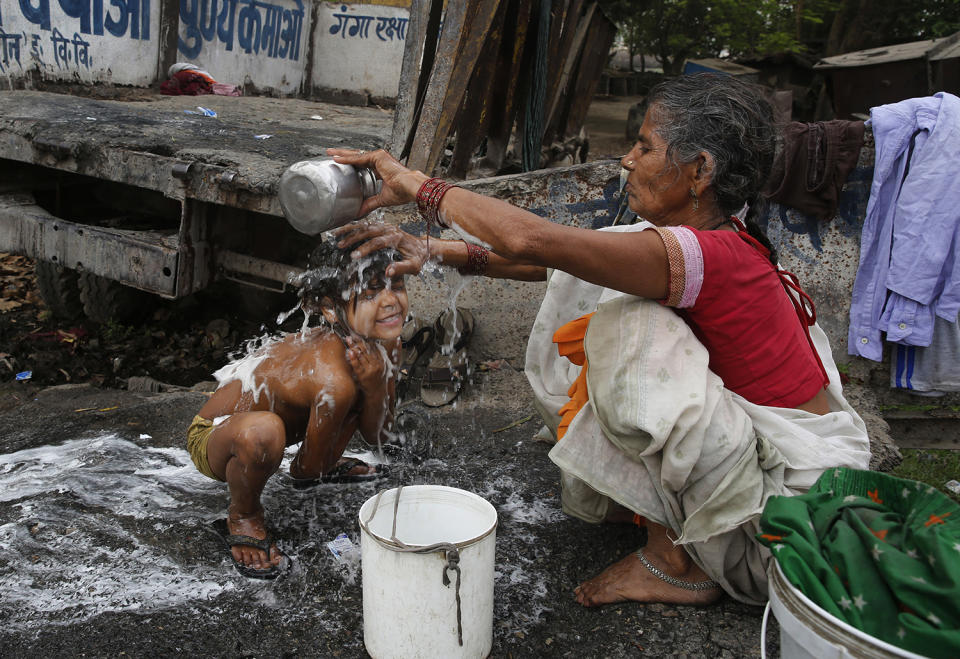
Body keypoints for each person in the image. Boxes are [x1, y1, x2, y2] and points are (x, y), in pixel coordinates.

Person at [328, 73, 871, 606]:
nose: (627, 160)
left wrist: (418, 185)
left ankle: (676, 564)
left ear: (700, 170)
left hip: (782, 532)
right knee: (618, 299)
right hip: (787, 499)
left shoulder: (711, 256)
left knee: (629, 327)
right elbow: (562, 261)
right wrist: (433, 248)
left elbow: (534, 240)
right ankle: (656, 509)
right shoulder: (710, 240)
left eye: (645, 146)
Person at [186, 238, 405, 578]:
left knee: (357, 392)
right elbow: (305, 471)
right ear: (330, 308)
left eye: (397, 285)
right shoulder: (332, 379)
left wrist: (376, 386)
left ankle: (328, 452)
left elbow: (380, 434)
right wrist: (319, 459)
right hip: (218, 436)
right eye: (371, 292)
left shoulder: (388, 343)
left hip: (275, 424)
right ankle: (243, 515)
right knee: (265, 433)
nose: (391, 301)